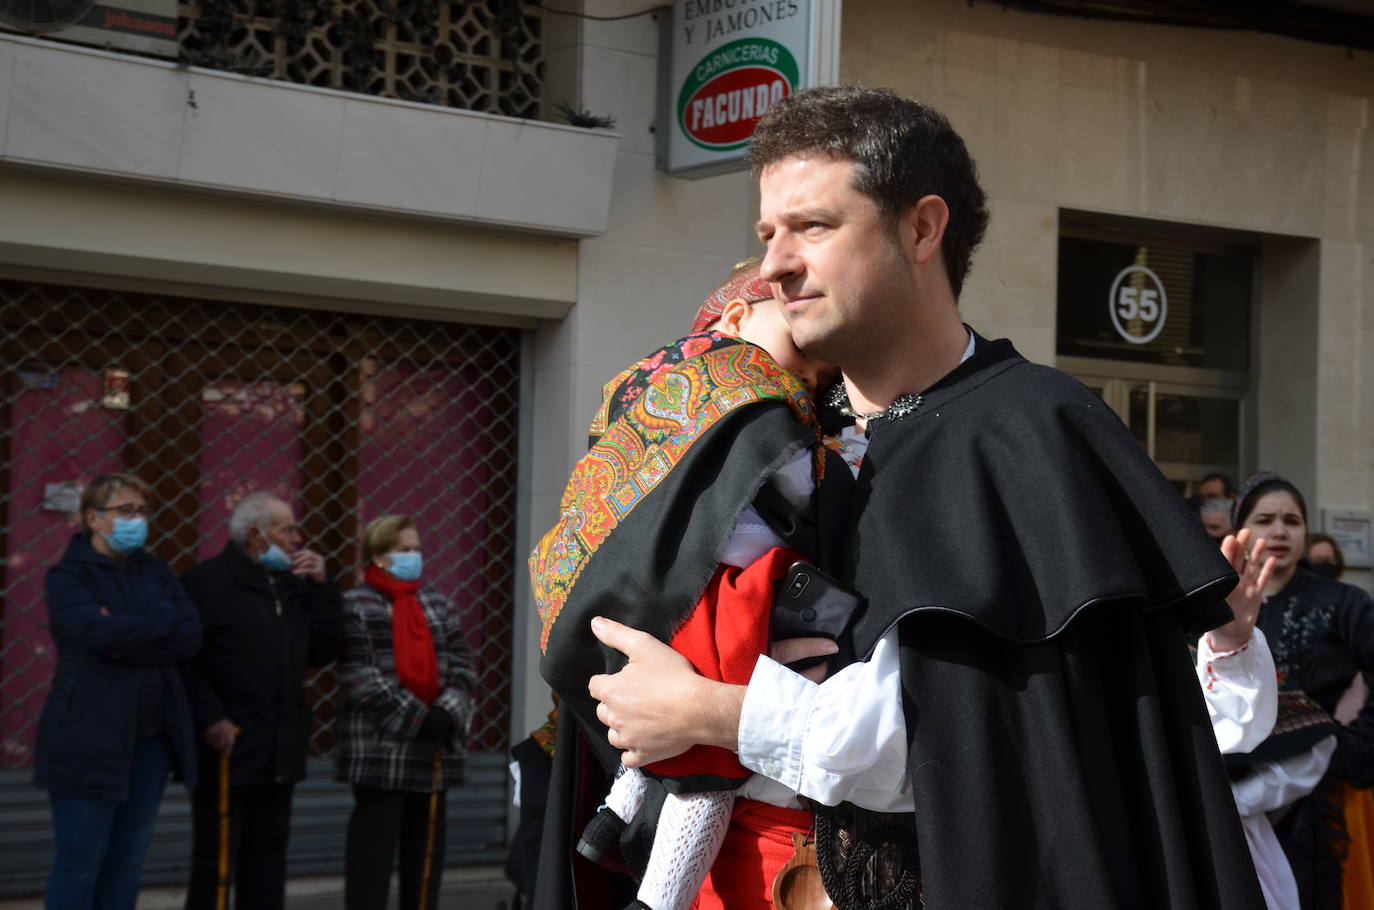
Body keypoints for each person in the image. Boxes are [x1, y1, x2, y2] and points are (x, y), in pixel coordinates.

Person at [579, 86, 1267, 909]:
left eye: (813, 227)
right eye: (767, 234)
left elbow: (991, 762)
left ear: (920, 228)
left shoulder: (1033, 433)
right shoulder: (766, 437)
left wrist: (713, 712)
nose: (774, 265)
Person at [533, 261, 848, 910]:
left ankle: (622, 820)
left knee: (687, 744)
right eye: (797, 354)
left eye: (820, 380)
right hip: (717, 614)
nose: (804, 382)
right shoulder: (742, 403)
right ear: (736, 318)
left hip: (733, 616)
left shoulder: (664, 387)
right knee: (702, 764)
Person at [34, 473, 202, 910]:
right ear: (93, 518)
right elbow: (91, 632)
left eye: (142, 511)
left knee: (127, 861)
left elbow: (188, 637)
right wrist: (154, 625)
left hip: (149, 740)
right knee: (79, 863)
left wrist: (122, 634)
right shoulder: (67, 577)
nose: (137, 520)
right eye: (125, 511)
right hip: (84, 737)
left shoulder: (157, 571)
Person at [180, 492, 343, 910]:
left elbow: (323, 651)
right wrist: (211, 718)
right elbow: (185, 664)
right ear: (255, 534)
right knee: (215, 863)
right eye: (287, 528)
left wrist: (322, 589)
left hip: (279, 747)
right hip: (227, 747)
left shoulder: (291, 587)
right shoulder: (205, 583)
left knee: (268, 862)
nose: (297, 537)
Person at [1235, 473, 1374, 908]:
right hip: (1234, 790)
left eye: (1292, 521)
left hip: (1319, 792)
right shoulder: (1216, 601)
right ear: (1243, 530)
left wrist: (1354, 743)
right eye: (1265, 519)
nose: (1279, 531)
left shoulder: (1343, 602)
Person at [335, 515, 479, 910]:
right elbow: (360, 675)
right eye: (404, 550)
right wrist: (420, 718)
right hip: (381, 752)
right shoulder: (355, 604)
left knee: (425, 865)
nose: (414, 557)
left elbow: (464, 667)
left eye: (416, 549)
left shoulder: (437, 604)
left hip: (433, 755)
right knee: (371, 863)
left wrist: (446, 713)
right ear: (379, 557)